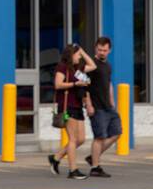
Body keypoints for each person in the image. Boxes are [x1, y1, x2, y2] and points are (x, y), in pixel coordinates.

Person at [48, 43, 94, 179]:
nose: (80, 57)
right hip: (67, 105)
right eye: (78, 55)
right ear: (71, 55)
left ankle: (56, 158)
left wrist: (82, 50)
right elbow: (57, 84)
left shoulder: (78, 68)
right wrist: (75, 84)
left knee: (81, 139)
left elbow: (93, 66)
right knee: (73, 139)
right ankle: (73, 170)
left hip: (78, 105)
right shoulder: (62, 67)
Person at [84, 36, 122, 178]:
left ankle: (93, 156)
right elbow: (84, 86)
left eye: (104, 50)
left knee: (117, 133)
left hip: (108, 106)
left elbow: (109, 84)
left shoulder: (108, 66)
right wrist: (88, 104)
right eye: (99, 50)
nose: (102, 52)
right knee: (99, 137)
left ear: (109, 50)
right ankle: (95, 167)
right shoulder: (91, 65)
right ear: (96, 48)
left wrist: (112, 102)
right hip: (96, 107)